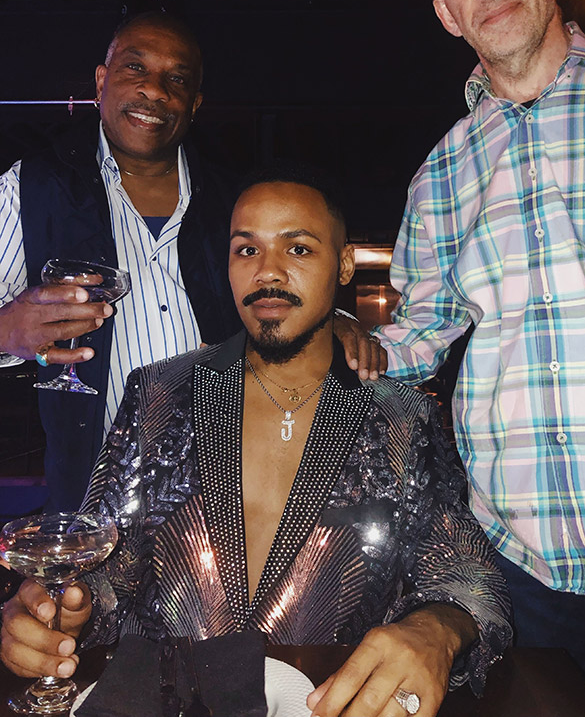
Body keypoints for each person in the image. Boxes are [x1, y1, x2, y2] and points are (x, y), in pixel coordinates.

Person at [0, 167, 512, 715]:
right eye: (246, 250)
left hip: (329, 700)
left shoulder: (402, 415)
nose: (267, 272)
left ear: (342, 265)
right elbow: (107, 564)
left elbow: (467, 576)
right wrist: (61, 610)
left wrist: (436, 630)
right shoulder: (159, 391)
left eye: (297, 248)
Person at [0, 12, 384, 512]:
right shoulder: (29, 189)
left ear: (195, 103)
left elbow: (278, 287)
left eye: (176, 78)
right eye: (135, 68)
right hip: (96, 503)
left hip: (229, 492)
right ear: (101, 81)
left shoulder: (235, 200)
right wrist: (7, 330)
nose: (155, 90)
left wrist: (337, 320)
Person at [375, 0, 585, 678]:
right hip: (517, 572)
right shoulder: (439, 175)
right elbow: (418, 337)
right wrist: (330, 344)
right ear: (446, 14)